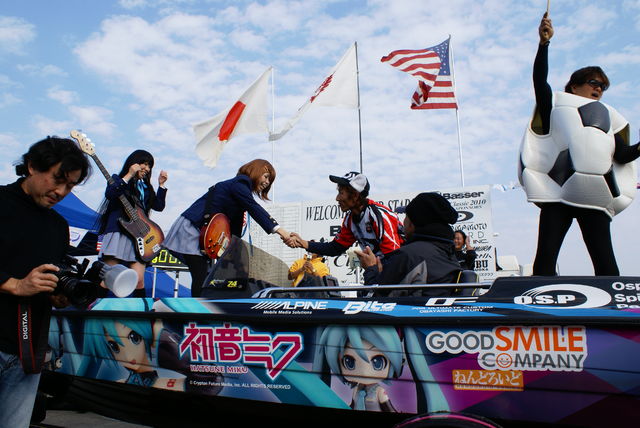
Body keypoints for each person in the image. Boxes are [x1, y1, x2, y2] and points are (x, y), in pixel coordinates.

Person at [522, 13, 640, 276]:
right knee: (545, 258)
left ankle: (612, 302)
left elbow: (623, 155)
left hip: (594, 194)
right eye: (594, 83)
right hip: (557, 191)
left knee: (605, 262)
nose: (599, 89)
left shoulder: (610, 117)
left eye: (603, 86)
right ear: (574, 86)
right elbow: (539, 82)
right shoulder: (555, 106)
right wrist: (544, 44)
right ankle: (540, 300)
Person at [0, 136, 90, 428]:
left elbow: (52, 277)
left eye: (71, 186)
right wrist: (14, 285)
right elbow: (21, 282)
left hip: (27, 353)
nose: (61, 192)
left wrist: (59, 295)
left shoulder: (58, 226)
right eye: (57, 179)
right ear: (31, 166)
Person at [163, 159, 293, 297]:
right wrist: (280, 231)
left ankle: (203, 306)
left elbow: (235, 227)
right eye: (266, 177)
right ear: (255, 171)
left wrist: (235, 255)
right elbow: (254, 208)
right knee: (201, 275)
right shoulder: (241, 183)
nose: (267, 182)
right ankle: (199, 309)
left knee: (205, 275)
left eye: (270, 180)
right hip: (194, 227)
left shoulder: (240, 191)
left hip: (203, 231)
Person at [355, 192, 461, 296]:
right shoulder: (448, 254)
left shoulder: (409, 256)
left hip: (416, 308)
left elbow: (374, 297)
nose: (403, 222)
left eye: (406, 216)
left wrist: (371, 268)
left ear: (413, 223)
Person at [96, 150, 168, 297]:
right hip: (119, 231)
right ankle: (95, 306)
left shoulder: (146, 188)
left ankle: (142, 310)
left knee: (139, 280)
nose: (147, 169)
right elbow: (110, 194)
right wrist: (129, 175)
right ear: (134, 163)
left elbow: (159, 206)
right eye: (144, 164)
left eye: (150, 166)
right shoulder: (119, 179)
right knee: (109, 277)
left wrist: (161, 185)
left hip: (140, 236)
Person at [291, 171, 403, 259]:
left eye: (341, 193)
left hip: (404, 269)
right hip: (385, 268)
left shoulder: (378, 215)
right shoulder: (350, 219)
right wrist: (303, 243)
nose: (337, 198)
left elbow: (395, 257)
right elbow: (335, 248)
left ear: (355, 195)